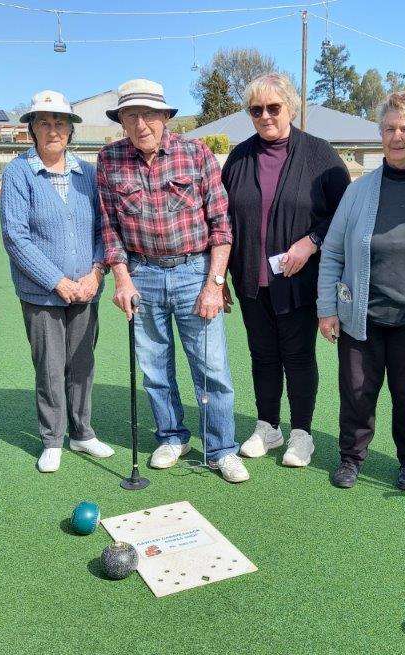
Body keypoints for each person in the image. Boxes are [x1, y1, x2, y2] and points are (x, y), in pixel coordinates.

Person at [96, 78, 249, 483]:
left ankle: (220, 448)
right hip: (141, 274)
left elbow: (221, 225)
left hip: (193, 271)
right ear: (122, 120)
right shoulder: (109, 159)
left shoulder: (196, 153)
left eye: (149, 114)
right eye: (131, 115)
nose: (141, 123)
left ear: (165, 116)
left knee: (212, 369)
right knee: (154, 368)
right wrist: (122, 280)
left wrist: (214, 284)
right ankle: (171, 436)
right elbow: (109, 228)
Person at [317, 91, 405, 491]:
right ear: (380, 134)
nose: (397, 136)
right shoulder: (357, 192)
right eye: (389, 128)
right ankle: (351, 458)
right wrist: (327, 308)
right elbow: (331, 252)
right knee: (357, 394)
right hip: (361, 317)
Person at [221, 73, 350, 468]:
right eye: (255, 109)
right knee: (261, 355)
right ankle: (268, 426)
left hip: (298, 283)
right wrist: (219, 277)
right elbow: (222, 220)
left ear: (290, 108)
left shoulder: (319, 154)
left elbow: (345, 214)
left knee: (297, 356)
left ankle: (301, 433)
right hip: (250, 282)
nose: (264, 116)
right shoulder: (239, 157)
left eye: (273, 107)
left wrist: (311, 242)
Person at [0, 90, 113, 473]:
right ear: (31, 128)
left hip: (87, 288)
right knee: (49, 367)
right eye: (44, 122)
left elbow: (103, 229)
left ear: (70, 129)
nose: (53, 130)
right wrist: (58, 282)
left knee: (82, 363)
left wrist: (97, 271)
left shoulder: (89, 174)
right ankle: (52, 438)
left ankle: (82, 433)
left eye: (60, 122)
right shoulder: (18, 173)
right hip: (43, 294)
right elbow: (16, 237)